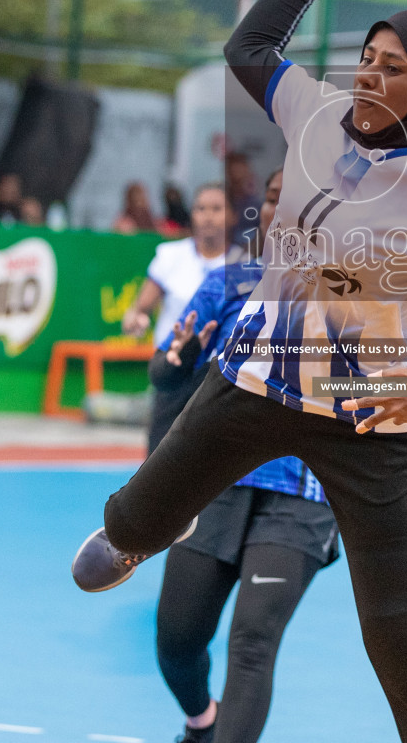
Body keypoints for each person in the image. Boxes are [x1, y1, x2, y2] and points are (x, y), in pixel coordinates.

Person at [71, 0, 407, 743]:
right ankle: (148, 526)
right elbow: (249, 46)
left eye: (394, 67)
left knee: (402, 638)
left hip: (364, 405)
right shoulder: (316, 114)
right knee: (118, 538)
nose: (371, 73)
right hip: (254, 379)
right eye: (368, 57)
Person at [146, 168, 339, 743]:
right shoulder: (230, 284)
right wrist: (177, 355)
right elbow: (162, 370)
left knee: (253, 643)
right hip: (217, 481)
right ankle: (201, 722)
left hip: (302, 494)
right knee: (176, 639)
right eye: (275, 200)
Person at [121, 183, 236, 346]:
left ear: (233, 215)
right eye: (201, 209)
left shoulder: (246, 264)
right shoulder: (170, 255)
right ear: (192, 214)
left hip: (222, 367)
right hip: (169, 362)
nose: (208, 216)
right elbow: (138, 311)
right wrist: (135, 321)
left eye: (217, 209)